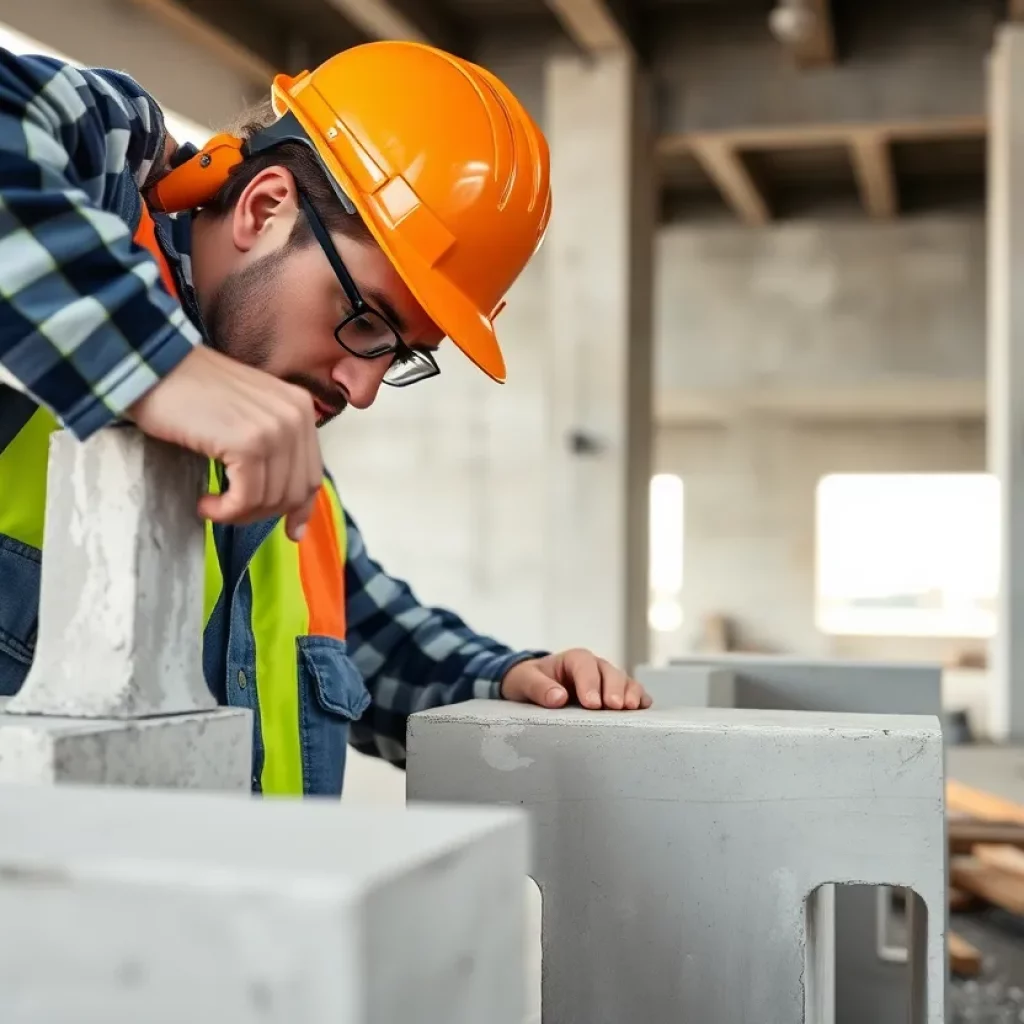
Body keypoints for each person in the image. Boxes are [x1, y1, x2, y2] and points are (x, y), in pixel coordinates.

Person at [0, 40, 651, 797]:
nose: (364, 387)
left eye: (398, 353)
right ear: (265, 206)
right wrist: (158, 367)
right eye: (364, 319)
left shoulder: (281, 463)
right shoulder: (98, 201)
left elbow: (368, 638)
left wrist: (507, 678)